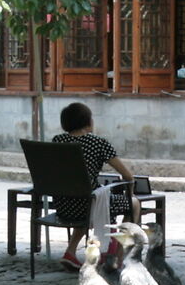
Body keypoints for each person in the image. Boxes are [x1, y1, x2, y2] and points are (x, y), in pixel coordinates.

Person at [49, 101, 137, 270]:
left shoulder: (57, 140)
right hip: (90, 206)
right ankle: (115, 257)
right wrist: (130, 193)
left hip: (64, 206)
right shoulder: (98, 143)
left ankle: (70, 252)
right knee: (133, 205)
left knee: (85, 199)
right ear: (88, 121)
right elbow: (127, 176)